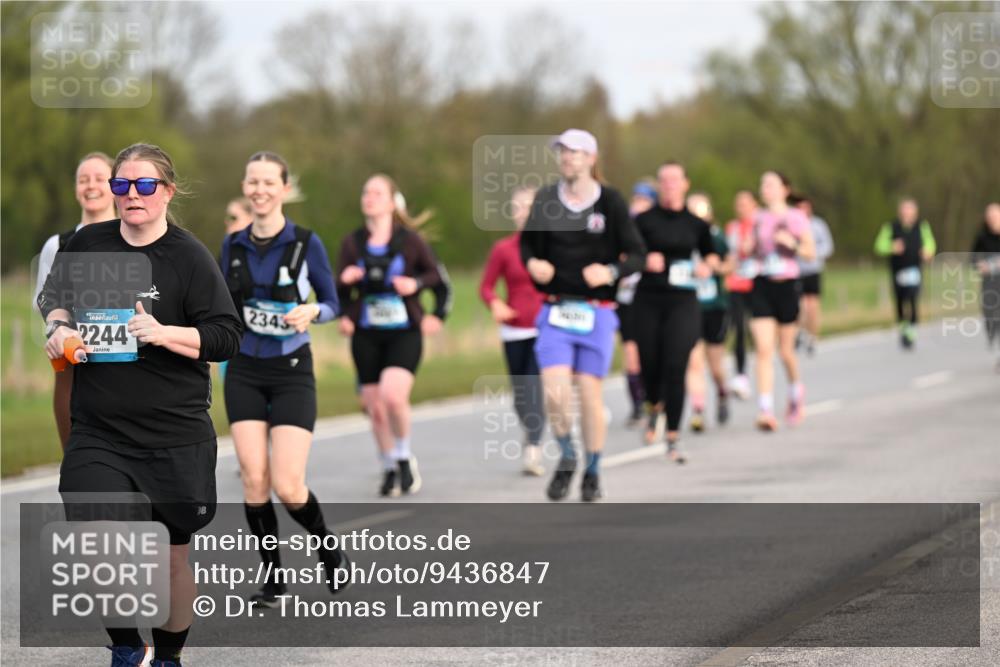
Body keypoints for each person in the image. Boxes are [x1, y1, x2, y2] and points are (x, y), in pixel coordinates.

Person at [38, 143, 243, 667]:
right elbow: (54, 298)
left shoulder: (188, 256)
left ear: (167, 192)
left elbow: (224, 336)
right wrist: (58, 329)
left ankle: (169, 656)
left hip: (173, 433)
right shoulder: (88, 244)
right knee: (95, 540)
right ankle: (128, 648)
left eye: (145, 185)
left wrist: (162, 332)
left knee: (174, 556)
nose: (132, 195)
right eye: (122, 185)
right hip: (100, 430)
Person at [220, 151, 350, 609]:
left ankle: (327, 547)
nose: (259, 190)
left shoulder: (304, 243)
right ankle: (274, 578)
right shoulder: (232, 245)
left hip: (293, 370)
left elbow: (335, 302)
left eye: (268, 183)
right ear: (245, 186)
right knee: (254, 479)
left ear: (284, 188)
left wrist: (314, 310)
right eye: (252, 182)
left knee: (288, 484)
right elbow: (219, 308)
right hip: (244, 371)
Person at [520, 129, 645, 501]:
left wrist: (610, 272)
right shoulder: (546, 199)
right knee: (555, 393)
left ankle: (592, 468)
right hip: (556, 309)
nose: (567, 158)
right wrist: (533, 263)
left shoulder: (610, 202)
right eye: (562, 152)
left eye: (574, 152)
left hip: (597, 312)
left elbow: (637, 253)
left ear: (591, 157)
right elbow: (528, 243)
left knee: (589, 394)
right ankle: (568, 454)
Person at [337, 174, 449, 497]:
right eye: (365, 192)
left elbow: (439, 281)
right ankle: (387, 465)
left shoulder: (410, 241)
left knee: (393, 397)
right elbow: (337, 290)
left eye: (376, 192)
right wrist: (345, 294)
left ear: (390, 201)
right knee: (374, 407)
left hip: (404, 332)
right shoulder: (352, 243)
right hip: (367, 333)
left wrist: (429, 306)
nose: (368, 197)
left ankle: (402, 456)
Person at [633, 163, 720, 462]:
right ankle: (654, 404)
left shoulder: (696, 224)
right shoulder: (642, 220)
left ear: (685, 184)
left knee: (676, 362)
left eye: (674, 180)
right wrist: (643, 260)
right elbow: (624, 254)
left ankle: (672, 436)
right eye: (664, 180)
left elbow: (712, 254)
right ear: (659, 185)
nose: (669, 185)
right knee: (649, 363)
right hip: (648, 299)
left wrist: (706, 266)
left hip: (683, 301)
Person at [33, 152, 116, 451]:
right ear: (75, 188)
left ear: (116, 186)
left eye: (99, 179)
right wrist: (61, 332)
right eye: (83, 180)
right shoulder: (57, 246)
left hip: (125, 370)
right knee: (78, 468)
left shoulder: (134, 239)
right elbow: (45, 304)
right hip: (72, 369)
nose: (91, 186)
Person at [479, 185, 546, 475]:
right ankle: (531, 431)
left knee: (532, 386)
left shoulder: (552, 247)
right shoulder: (503, 249)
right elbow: (485, 287)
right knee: (520, 395)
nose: (524, 213)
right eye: (518, 207)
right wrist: (495, 304)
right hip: (513, 330)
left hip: (544, 328)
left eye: (529, 207)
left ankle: (533, 448)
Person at [746, 171, 816, 431]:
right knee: (764, 349)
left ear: (785, 189)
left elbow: (810, 253)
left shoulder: (796, 217)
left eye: (771, 184)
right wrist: (748, 246)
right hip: (762, 284)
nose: (766, 189)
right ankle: (765, 409)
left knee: (785, 351)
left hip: (787, 285)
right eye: (763, 184)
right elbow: (750, 250)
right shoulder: (758, 218)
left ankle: (796, 391)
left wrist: (793, 244)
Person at [684, 192, 731, 433]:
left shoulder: (715, 235)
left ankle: (722, 392)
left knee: (714, 366)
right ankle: (698, 410)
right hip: (689, 305)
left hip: (714, 306)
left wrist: (717, 267)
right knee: (694, 362)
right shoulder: (680, 235)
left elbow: (730, 262)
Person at [873, 197, 937, 349]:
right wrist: (891, 247)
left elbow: (930, 243)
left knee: (913, 298)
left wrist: (928, 252)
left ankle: (912, 330)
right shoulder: (891, 227)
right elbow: (879, 246)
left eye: (910, 210)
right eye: (904, 210)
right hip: (897, 271)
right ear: (900, 212)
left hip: (915, 269)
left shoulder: (922, 226)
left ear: (915, 212)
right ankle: (904, 328)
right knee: (901, 301)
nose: (907, 213)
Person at [618, 180, 657, 427]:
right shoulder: (623, 228)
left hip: (651, 298)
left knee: (651, 353)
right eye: (636, 199)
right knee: (631, 353)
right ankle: (637, 406)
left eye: (645, 200)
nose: (639, 205)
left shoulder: (657, 229)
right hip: (626, 299)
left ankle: (655, 399)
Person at [724, 190, 758, 401]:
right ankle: (741, 374)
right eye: (739, 204)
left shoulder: (761, 225)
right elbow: (729, 254)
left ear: (754, 204)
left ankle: (759, 361)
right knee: (739, 329)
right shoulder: (732, 228)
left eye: (746, 203)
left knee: (756, 330)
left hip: (757, 284)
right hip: (737, 284)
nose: (742, 207)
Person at [791, 194, 834, 356]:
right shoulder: (791, 225)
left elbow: (828, 246)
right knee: (799, 306)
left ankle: (813, 337)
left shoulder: (818, 225)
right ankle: (800, 332)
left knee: (813, 307)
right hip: (796, 270)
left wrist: (814, 254)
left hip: (813, 270)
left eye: (805, 207)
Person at [971, 202, 1000, 371]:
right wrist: (980, 265)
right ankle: (995, 349)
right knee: (990, 317)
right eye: (989, 217)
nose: (992, 220)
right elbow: (972, 260)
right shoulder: (982, 237)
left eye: (995, 216)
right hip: (989, 284)